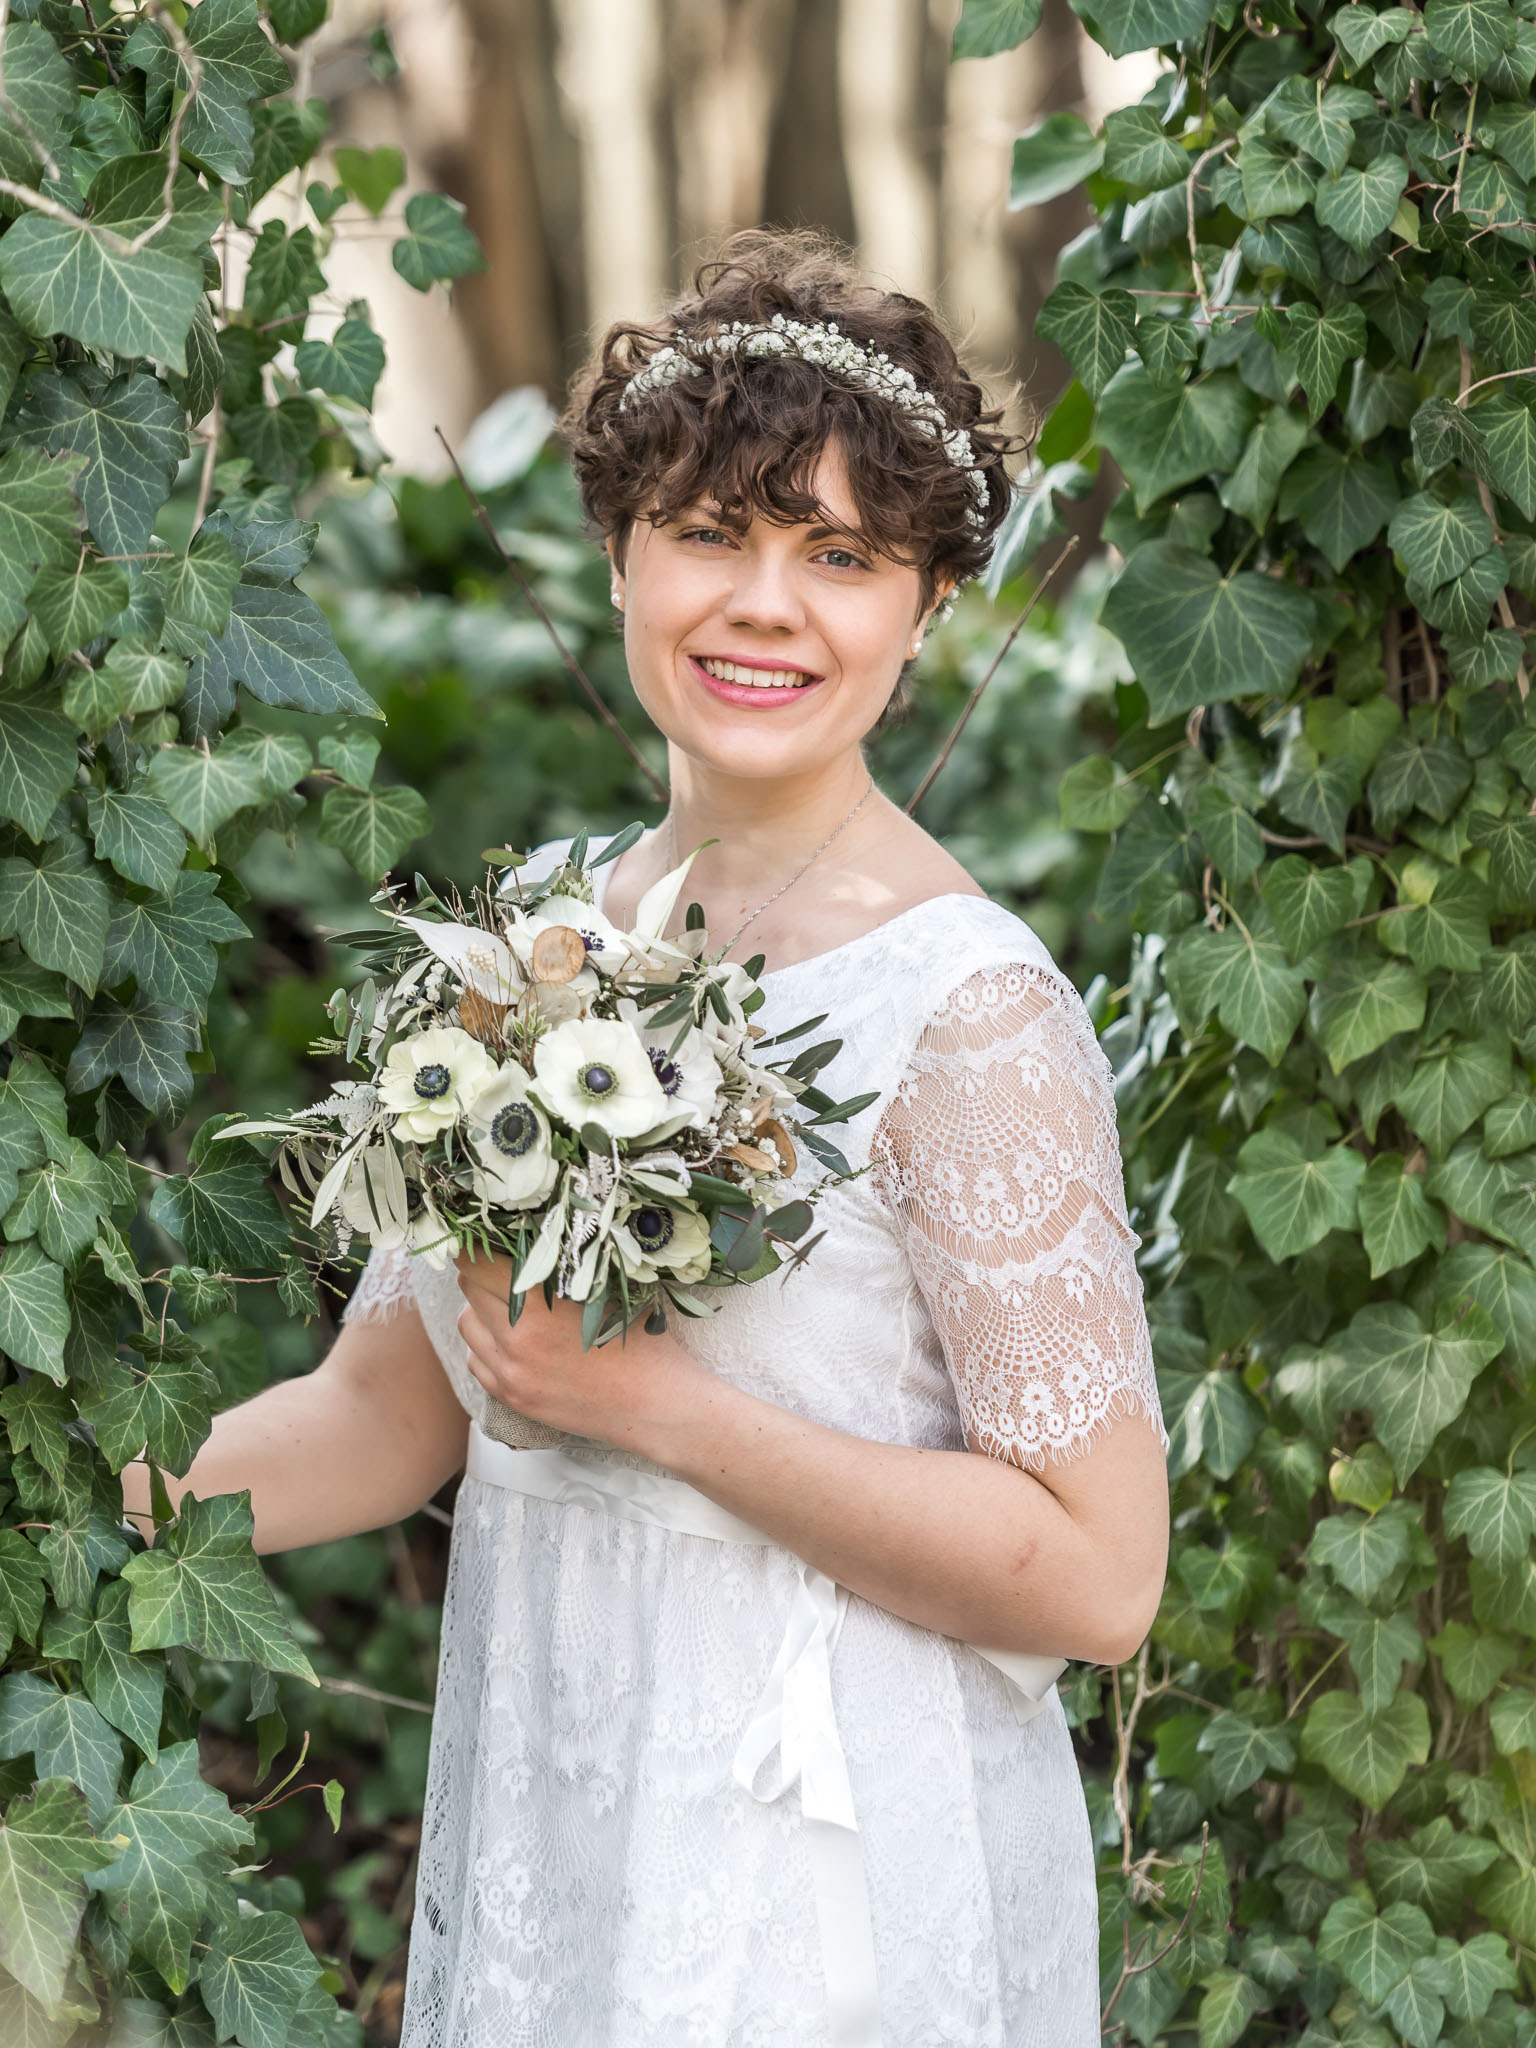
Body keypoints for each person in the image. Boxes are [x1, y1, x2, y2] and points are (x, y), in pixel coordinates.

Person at [129, 229, 1169, 2047]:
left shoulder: (967, 1014)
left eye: (839, 556)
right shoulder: (543, 940)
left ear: (925, 607)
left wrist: (658, 1409)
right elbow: (391, 1409)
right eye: (710, 533)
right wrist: (93, 1505)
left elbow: (1097, 1573)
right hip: (566, 1788)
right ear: (618, 555)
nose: (765, 605)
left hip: (819, 1848)